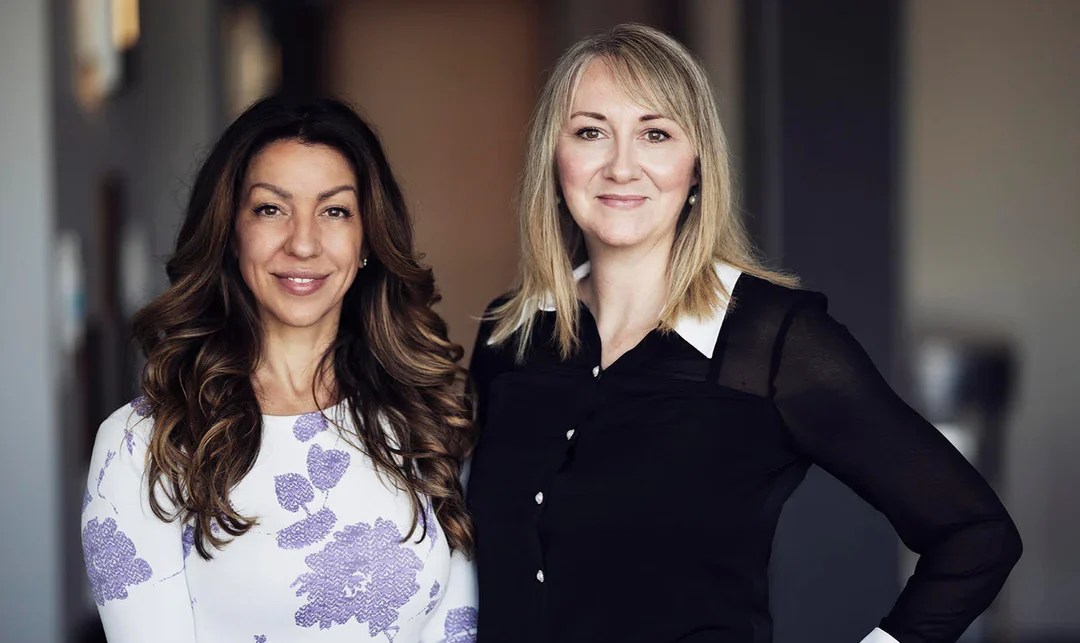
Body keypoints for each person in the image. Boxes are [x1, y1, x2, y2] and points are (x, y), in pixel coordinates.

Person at [466, 24, 1020, 643]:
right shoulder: (508, 334)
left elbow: (976, 535)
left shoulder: (774, 341)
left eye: (656, 133)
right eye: (591, 132)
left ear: (697, 165)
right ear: (555, 156)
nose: (621, 166)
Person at [81, 96, 477, 642]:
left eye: (335, 210)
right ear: (230, 232)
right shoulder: (145, 445)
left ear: (367, 242)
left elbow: (457, 626)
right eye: (271, 208)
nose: (304, 242)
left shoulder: (424, 417)